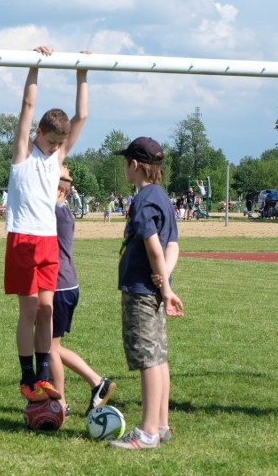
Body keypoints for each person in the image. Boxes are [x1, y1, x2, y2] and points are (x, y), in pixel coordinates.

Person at [4, 45, 88, 405]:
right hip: (23, 237)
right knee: (28, 311)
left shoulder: (57, 158)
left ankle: (42, 377)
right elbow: (27, 107)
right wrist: (34, 65)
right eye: (51, 142)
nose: (55, 149)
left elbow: (81, 116)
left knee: (47, 311)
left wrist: (83, 72)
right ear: (39, 133)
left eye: (59, 144)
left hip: (48, 241)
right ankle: (27, 378)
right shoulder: (24, 154)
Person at [108, 137, 183, 450]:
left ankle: (147, 432)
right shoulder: (162, 197)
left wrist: (164, 287)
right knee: (158, 357)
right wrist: (165, 278)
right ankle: (161, 424)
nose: (124, 167)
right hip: (153, 288)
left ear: (134, 165)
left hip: (142, 291)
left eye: (125, 162)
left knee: (147, 361)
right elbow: (173, 246)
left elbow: (153, 245)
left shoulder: (142, 199)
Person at [50, 165, 115, 417]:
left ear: (58, 190)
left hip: (59, 286)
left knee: (49, 348)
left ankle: (61, 403)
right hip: (66, 284)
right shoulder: (63, 211)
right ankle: (97, 383)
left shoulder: (55, 211)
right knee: (50, 345)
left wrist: (54, 167)